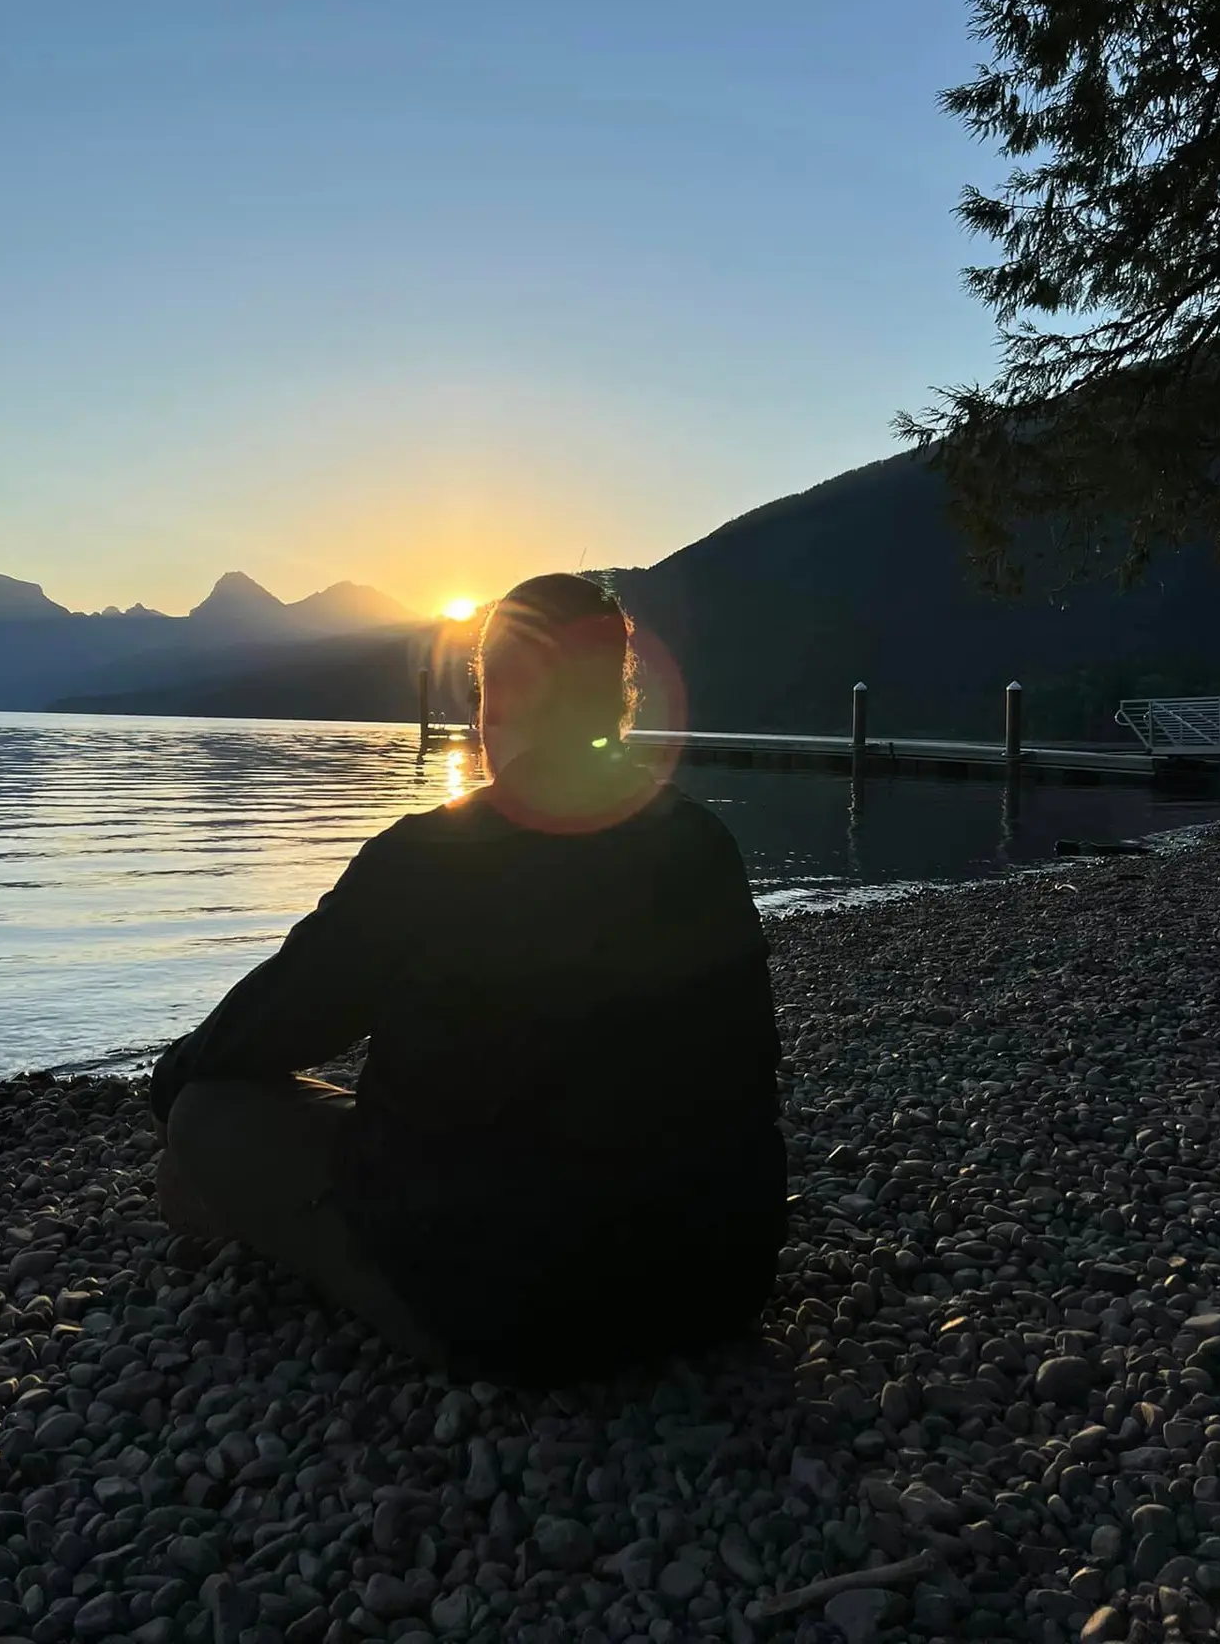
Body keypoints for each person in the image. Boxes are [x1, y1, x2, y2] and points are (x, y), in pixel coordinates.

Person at [151, 573, 786, 1382]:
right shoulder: (704, 846)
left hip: (510, 1313)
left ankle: (344, 1255)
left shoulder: (429, 856)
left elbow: (271, 1022)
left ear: (497, 692)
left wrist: (170, 1091)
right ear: (617, 700)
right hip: (716, 1288)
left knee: (208, 1117)